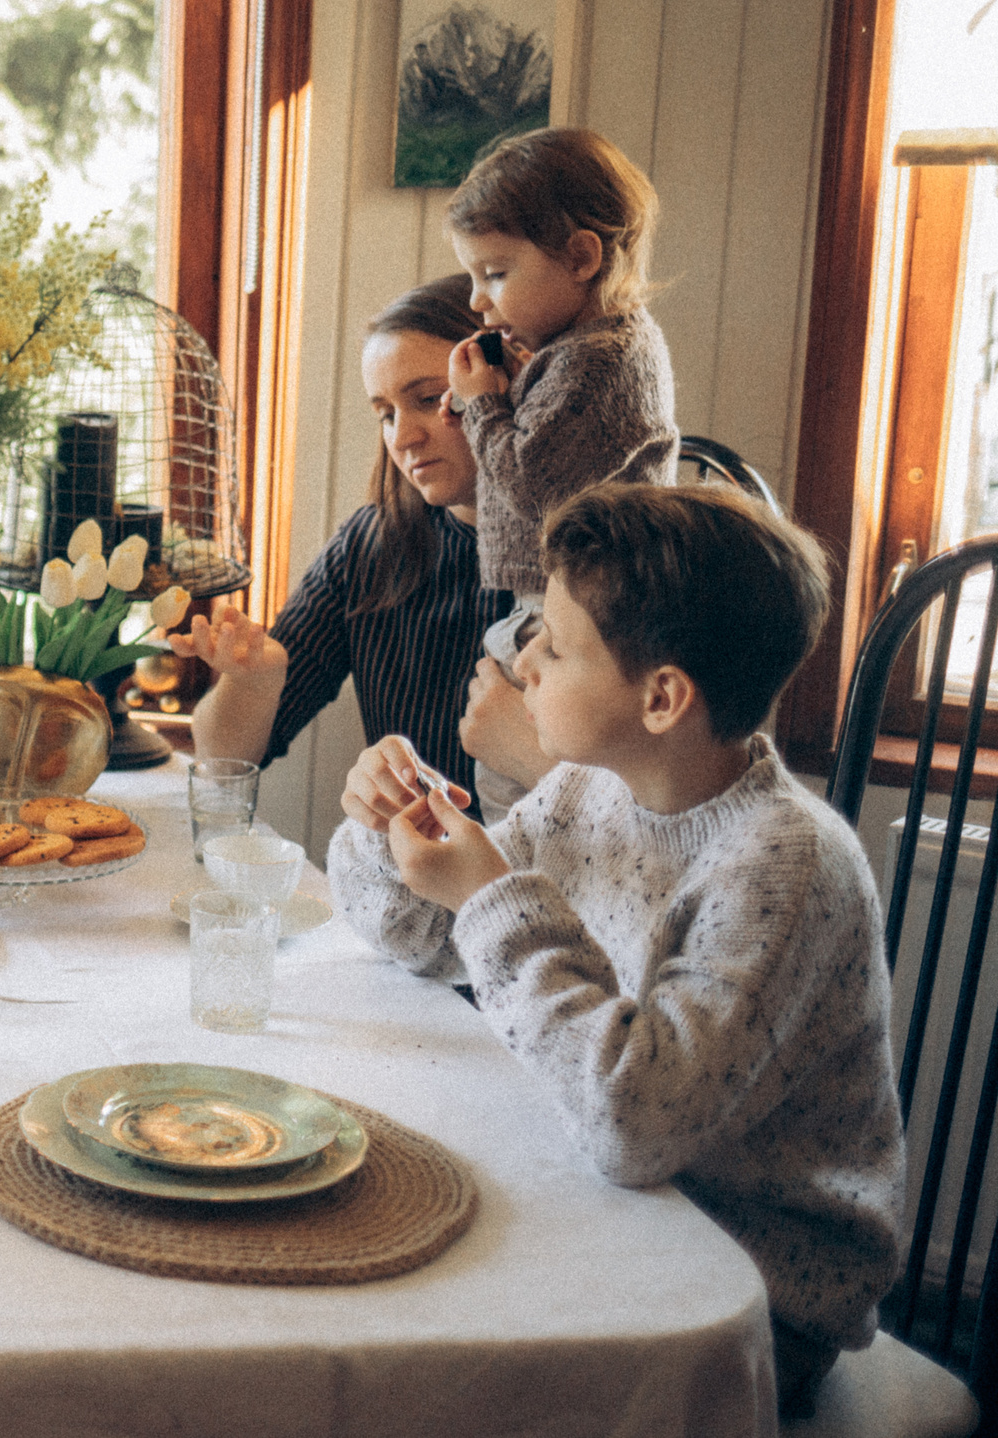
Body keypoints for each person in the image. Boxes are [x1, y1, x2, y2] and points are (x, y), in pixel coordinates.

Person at [327, 484, 901, 1419]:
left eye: (554, 645)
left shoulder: (787, 866)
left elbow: (636, 1123)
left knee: (408, 1356)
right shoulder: (590, 791)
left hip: (749, 1298)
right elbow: (432, 942)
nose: (521, 662)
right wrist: (391, 833)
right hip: (606, 1211)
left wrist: (489, 896)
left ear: (662, 698)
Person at [168, 274, 544, 815]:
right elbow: (225, 759)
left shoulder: (598, 561)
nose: (403, 437)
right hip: (406, 864)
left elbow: (654, 801)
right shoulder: (370, 548)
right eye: (387, 413)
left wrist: (534, 756)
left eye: (430, 399)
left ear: (512, 382)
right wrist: (251, 683)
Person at [443, 127, 679, 810]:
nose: (477, 300)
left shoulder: (600, 360)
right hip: (563, 609)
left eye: (495, 273)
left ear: (580, 257)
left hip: (579, 622)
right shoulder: (583, 351)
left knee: (519, 798)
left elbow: (532, 485)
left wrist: (483, 403)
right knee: (511, 790)